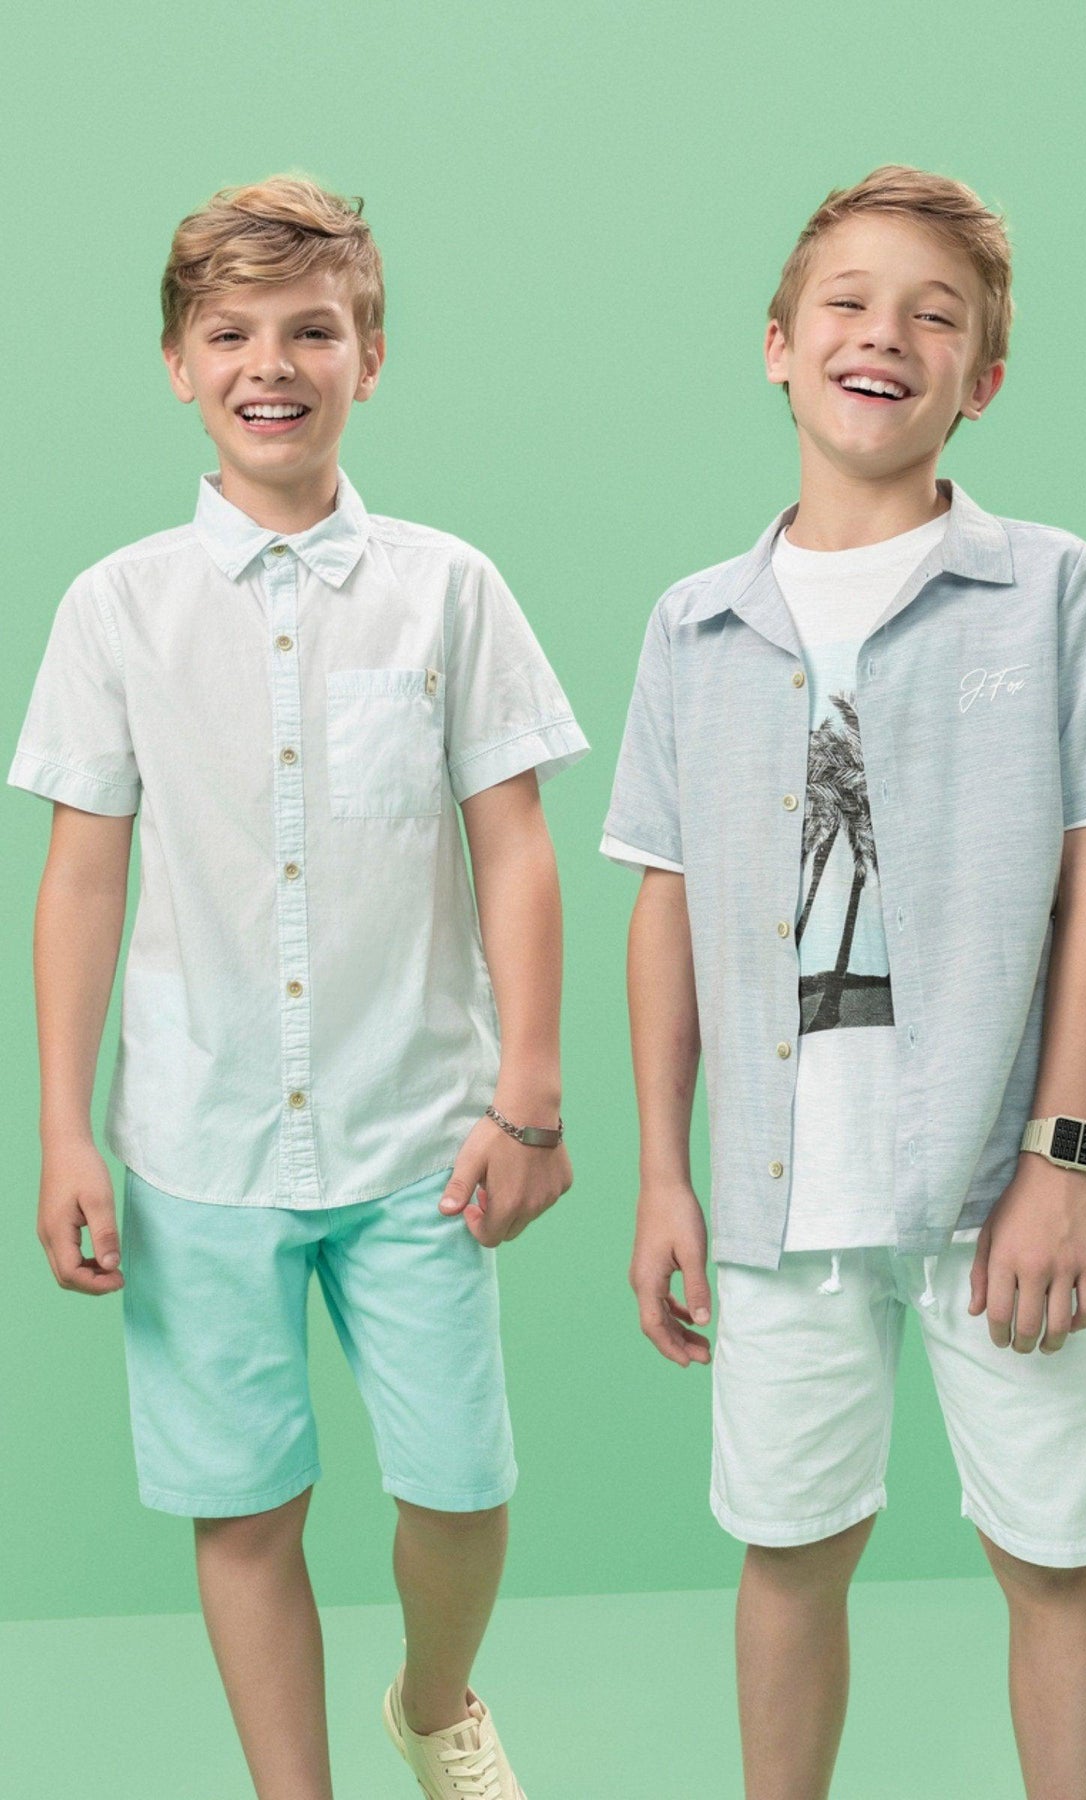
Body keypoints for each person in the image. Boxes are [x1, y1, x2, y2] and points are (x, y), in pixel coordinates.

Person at [601, 164, 1086, 1799]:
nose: (885, 336)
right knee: (789, 1552)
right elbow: (663, 906)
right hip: (778, 1193)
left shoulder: (1052, 589)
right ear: (778, 346)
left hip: (1004, 1180)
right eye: (848, 304)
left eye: (935, 318)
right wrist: (664, 1173)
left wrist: (1063, 1164)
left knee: (1054, 1556)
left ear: (981, 378)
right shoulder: (694, 626)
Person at [9, 173, 588, 1800]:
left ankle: (435, 1700)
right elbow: (82, 880)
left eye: (313, 330)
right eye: (232, 334)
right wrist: (64, 1129)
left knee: (461, 1486)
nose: (272, 363)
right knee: (245, 1505)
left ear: (370, 358)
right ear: (179, 364)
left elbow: (515, 850)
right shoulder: (115, 608)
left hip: (420, 1136)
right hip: (198, 1145)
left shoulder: (449, 588)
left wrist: (530, 1092)